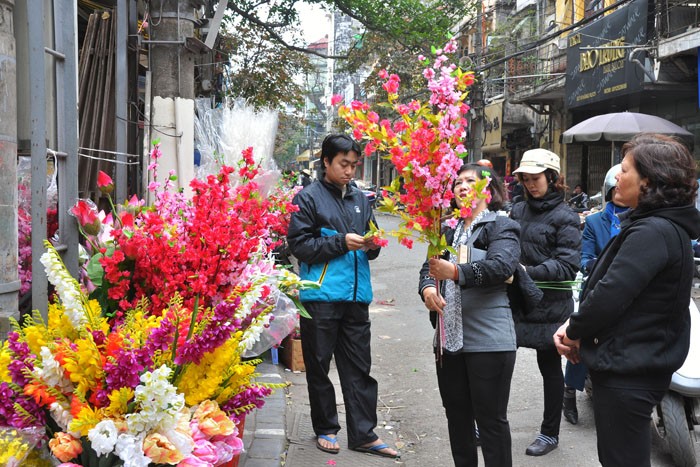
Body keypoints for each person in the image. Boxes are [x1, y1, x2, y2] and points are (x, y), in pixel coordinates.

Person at [554, 133, 700, 467]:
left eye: (624, 170)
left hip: (628, 371)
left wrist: (574, 331)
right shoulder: (659, 226)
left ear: (648, 182)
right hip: (634, 364)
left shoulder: (654, 231)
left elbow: (610, 294)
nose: (616, 177)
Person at [286, 134, 398, 459]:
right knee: (319, 366)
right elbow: (299, 245)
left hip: (356, 297)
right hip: (320, 296)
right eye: (343, 164)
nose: (349, 171)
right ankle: (325, 428)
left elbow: (370, 244)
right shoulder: (308, 198)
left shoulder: (361, 200)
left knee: (359, 367)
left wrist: (373, 244)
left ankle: (364, 433)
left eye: (353, 165)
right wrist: (339, 243)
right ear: (326, 162)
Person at [419, 163, 520, 467]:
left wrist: (457, 272)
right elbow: (428, 268)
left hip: (489, 342)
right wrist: (427, 289)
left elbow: (502, 266)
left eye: (470, 181)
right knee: (458, 418)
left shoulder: (501, 225)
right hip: (449, 342)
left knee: (490, 423)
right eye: (458, 182)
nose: (462, 186)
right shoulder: (448, 230)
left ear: (487, 189)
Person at [509, 148, 581, 456]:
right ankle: (486, 424)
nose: (530, 184)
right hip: (514, 302)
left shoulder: (566, 218)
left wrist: (525, 272)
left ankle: (550, 433)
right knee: (498, 365)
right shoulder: (516, 210)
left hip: (550, 306)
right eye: (525, 179)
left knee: (550, 369)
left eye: (535, 178)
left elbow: (567, 266)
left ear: (552, 178)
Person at [562, 164, 629, 425]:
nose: (620, 191)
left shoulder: (643, 219)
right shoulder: (594, 221)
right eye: (616, 187)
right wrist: (596, 265)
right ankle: (569, 390)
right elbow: (585, 257)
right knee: (584, 333)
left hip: (632, 290)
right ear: (609, 191)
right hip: (599, 286)